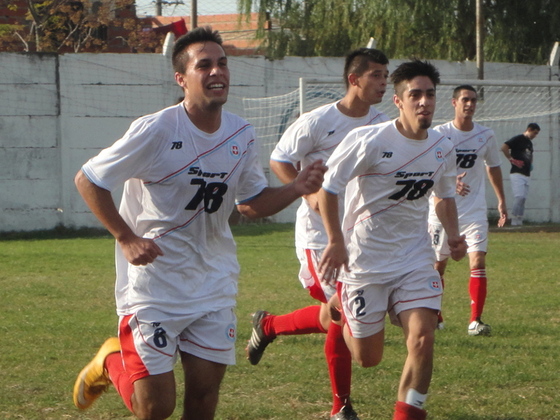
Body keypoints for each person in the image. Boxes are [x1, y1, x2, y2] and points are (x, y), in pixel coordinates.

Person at [72, 26, 327, 420]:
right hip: (154, 286)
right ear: (182, 78)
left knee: (203, 401)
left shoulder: (241, 134)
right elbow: (89, 179)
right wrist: (126, 237)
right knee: (156, 408)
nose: (216, 72)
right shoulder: (157, 129)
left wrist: (296, 187)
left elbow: (251, 204)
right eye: (204, 65)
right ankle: (111, 362)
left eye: (222, 63)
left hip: (213, 283)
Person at [317, 60, 467, 420]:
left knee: (423, 337)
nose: (424, 102)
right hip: (364, 261)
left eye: (429, 94)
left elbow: (444, 197)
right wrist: (336, 240)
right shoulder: (367, 140)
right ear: (398, 101)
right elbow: (329, 189)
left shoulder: (442, 147)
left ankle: (408, 413)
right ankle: (337, 308)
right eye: (414, 95)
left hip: (414, 258)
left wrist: (454, 236)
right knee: (368, 359)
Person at [246, 48, 390, 420]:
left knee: (333, 314)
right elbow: (280, 159)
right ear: (353, 79)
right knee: (342, 312)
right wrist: (307, 194)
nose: (383, 83)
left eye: (385, 75)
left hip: (360, 238)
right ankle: (340, 406)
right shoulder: (318, 120)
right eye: (375, 75)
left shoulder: (382, 124)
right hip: (318, 237)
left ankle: (269, 325)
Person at [427, 85, 507, 336]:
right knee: (439, 266)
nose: (470, 104)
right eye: (465, 100)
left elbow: (493, 166)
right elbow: (428, 169)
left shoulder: (486, 135)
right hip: (442, 209)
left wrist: (501, 200)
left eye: (473, 100)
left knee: (478, 260)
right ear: (454, 103)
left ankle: (475, 320)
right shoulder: (439, 134)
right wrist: (451, 182)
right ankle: (436, 315)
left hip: (473, 211)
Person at [501, 123, 540, 226]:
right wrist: (511, 159)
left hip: (526, 174)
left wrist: (530, 164)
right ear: (529, 129)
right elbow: (504, 147)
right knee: (519, 197)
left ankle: (519, 220)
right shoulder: (518, 138)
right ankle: (513, 219)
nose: (535, 136)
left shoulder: (529, 143)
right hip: (517, 173)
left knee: (523, 199)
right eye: (534, 133)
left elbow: (530, 154)